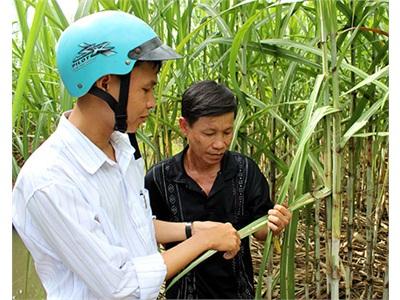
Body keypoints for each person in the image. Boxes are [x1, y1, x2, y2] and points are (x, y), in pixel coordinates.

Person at [12, 12, 241, 300]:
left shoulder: (121, 149)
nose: (152, 102)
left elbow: (133, 226)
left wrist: (192, 229)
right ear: (105, 84)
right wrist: (205, 240)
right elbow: (120, 285)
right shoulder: (50, 180)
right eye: (146, 89)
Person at [145, 80, 292, 299]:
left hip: (237, 293)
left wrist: (275, 224)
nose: (220, 144)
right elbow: (143, 230)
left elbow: (260, 230)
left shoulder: (245, 171)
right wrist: (192, 231)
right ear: (184, 126)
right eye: (209, 133)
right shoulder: (159, 179)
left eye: (227, 132)